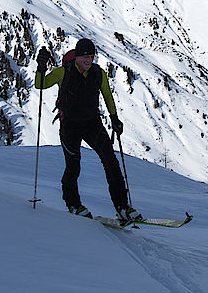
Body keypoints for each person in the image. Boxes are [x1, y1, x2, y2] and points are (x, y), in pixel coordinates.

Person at [35, 38, 142, 222]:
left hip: (92, 122)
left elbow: (107, 95)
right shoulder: (63, 72)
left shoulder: (98, 74)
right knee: (73, 165)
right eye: (85, 55)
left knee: (110, 161)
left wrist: (114, 117)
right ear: (76, 56)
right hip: (70, 125)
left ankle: (122, 206)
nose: (88, 59)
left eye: (91, 55)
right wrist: (41, 66)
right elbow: (41, 84)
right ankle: (73, 204)